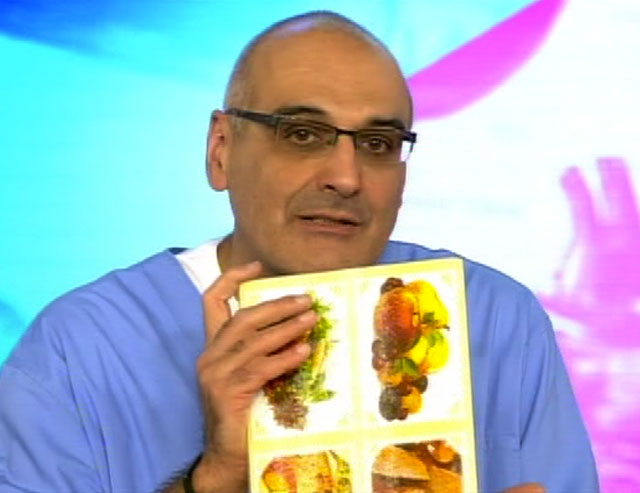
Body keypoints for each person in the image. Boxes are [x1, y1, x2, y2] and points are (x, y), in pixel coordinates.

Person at [0, 11, 597, 493]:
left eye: (378, 143)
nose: (346, 177)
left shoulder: (496, 319)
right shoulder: (80, 348)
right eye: (303, 134)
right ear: (221, 149)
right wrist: (216, 477)